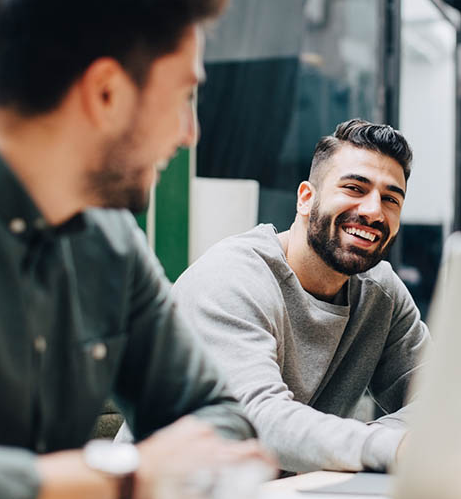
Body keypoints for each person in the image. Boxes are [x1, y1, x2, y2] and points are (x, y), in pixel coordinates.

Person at [0, 0, 272, 499]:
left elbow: (220, 419)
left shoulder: (111, 241)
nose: (189, 133)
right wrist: (122, 477)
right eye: (182, 97)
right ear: (105, 93)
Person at [169, 120, 428, 472]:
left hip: (293, 498)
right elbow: (258, 422)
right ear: (306, 199)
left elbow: (438, 400)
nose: (373, 211)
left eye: (390, 199)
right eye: (354, 188)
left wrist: (393, 439)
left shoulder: (380, 292)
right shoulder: (231, 279)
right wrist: (390, 445)